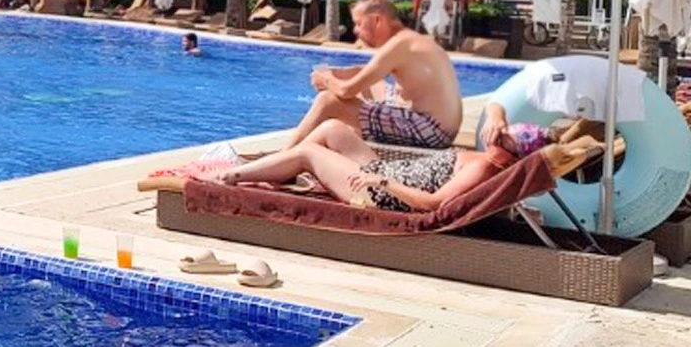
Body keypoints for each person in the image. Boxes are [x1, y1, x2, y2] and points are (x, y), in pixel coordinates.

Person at [207, 103, 589, 213]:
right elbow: (495, 105)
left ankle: (231, 176)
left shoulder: (487, 168)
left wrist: (382, 182)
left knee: (310, 151)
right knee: (334, 128)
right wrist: (497, 118)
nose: (493, 136)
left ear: (509, 154)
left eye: (501, 138)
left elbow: (433, 205)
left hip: (379, 192)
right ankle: (278, 168)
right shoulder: (493, 160)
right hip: (386, 171)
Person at [287, 0, 463, 150]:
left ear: (377, 20)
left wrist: (326, 80)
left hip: (431, 131)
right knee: (369, 88)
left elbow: (346, 91)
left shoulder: (398, 45)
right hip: (441, 128)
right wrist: (336, 74)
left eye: (359, 24)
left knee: (327, 101)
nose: (355, 30)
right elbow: (367, 73)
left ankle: (286, 156)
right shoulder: (409, 40)